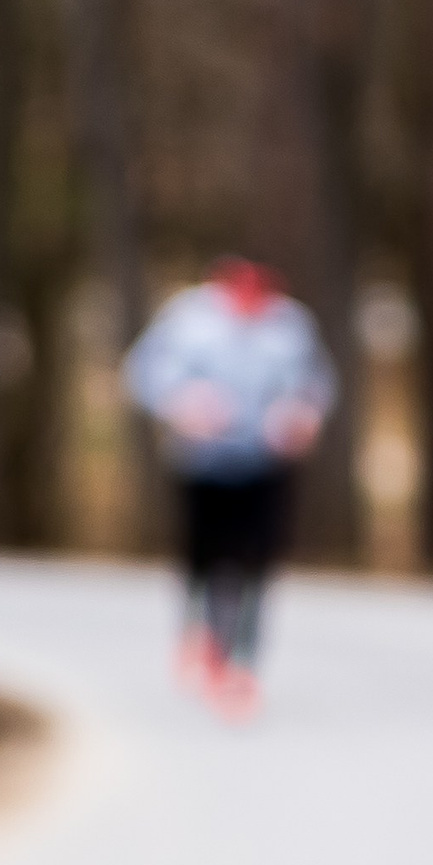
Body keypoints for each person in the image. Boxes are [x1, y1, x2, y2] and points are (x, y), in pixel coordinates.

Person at [122, 257, 338, 715]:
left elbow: (317, 382)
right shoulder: (188, 320)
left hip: (266, 462)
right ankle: (200, 635)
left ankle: (243, 665)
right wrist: (181, 402)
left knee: (257, 563)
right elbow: (142, 371)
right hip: (204, 463)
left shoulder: (291, 326)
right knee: (204, 558)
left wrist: (303, 414)